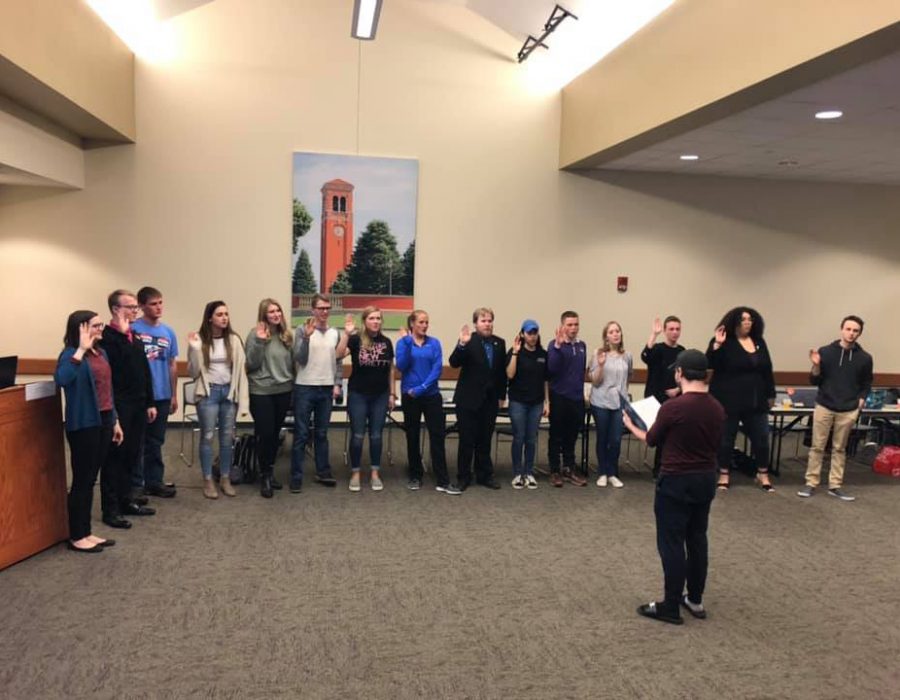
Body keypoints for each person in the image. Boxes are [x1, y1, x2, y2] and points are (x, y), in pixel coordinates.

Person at [623, 349, 724, 625]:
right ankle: (695, 598)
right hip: (705, 479)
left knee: (671, 543)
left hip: (676, 481)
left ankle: (669, 605)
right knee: (697, 538)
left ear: (680, 373)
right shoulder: (716, 407)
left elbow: (652, 439)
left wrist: (631, 426)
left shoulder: (674, 407)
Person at [54, 311, 124, 552]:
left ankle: (86, 532)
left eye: (100, 324)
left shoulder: (101, 352)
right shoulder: (70, 355)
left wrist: (115, 420)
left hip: (104, 420)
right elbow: (62, 379)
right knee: (83, 480)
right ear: (81, 329)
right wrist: (80, 350)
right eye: (95, 325)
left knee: (91, 477)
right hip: (84, 424)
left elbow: (108, 390)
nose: (100, 329)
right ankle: (76, 535)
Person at [798, 315, 873, 502]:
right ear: (842, 330)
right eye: (848, 329)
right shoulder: (826, 352)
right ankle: (811, 483)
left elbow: (866, 383)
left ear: (859, 333)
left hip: (848, 408)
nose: (851, 333)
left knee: (840, 448)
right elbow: (815, 380)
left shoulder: (864, 358)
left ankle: (835, 485)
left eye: (855, 331)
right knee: (817, 446)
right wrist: (815, 365)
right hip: (825, 404)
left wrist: (861, 401)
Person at [99, 290, 157, 529]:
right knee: (114, 459)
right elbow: (116, 370)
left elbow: (144, 372)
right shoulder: (108, 339)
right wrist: (123, 336)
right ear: (115, 309)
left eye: (136, 307)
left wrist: (150, 402)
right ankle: (110, 510)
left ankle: (126, 501)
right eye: (130, 307)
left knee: (132, 456)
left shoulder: (135, 336)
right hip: (119, 406)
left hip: (138, 405)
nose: (135, 311)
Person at [706, 306, 776, 492]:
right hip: (728, 400)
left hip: (756, 400)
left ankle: (762, 473)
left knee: (761, 438)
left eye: (750, 319)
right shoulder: (722, 341)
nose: (748, 322)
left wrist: (771, 394)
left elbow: (767, 370)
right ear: (734, 322)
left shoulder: (759, 341)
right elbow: (711, 366)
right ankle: (724, 473)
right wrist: (717, 347)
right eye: (744, 319)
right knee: (726, 439)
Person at [187, 300, 249, 500]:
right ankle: (207, 479)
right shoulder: (200, 340)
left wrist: (241, 398)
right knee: (207, 437)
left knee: (226, 438)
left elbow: (240, 371)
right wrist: (195, 349)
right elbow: (193, 372)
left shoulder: (234, 340)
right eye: (219, 314)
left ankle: (224, 477)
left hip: (228, 394)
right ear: (210, 318)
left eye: (226, 314)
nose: (224, 318)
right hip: (209, 394)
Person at [395, 310, 460, 495]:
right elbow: (401, 366)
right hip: (410, 396)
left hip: (430, 395)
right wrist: (408, 343)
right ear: (412, 324)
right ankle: (415, 475)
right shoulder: (403, 343)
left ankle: (443, 480)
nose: (425, 325)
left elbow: (437, 368)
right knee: (412, 436)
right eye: (421, 322)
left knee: (437, 436)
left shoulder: (434, 343)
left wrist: (422, 388)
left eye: (427, 322)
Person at [290, 293, 346, 493]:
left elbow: (338, 361)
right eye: (321, 308)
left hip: (326, 388)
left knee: (322, 433)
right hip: (305, 387)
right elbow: (299, 358)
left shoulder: (335, 333)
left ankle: (323, 472)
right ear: (313, 310)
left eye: (327, 308)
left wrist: (338, 384)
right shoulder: (301, 330)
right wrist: (306, 338)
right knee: (302, 434)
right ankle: (296, 476)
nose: (324, 311)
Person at [449, 307, 507, 490]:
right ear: (476, 323)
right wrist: (461, 344)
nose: (487, 324)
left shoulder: (500, 343)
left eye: (490, 321)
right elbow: (453, 362)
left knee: (484, 439)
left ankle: (484, 475)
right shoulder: (469, 341)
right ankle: (464, 477)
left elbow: (501, 373)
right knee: (467, 440)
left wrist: (501, 395)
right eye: (483, 321)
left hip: (490, 400)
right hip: (468, 399)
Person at [131, 286, 178, 498]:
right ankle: (136, 484)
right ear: (141, 306)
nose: (158, 307)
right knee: (137, 441)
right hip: (140, 396)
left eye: (160, 302)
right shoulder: (133, 329)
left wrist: (174, 394)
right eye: (153, 304)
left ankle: (154, 481)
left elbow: (172, 365)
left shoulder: (168, 332)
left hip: (162, 394)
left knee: (156, 441)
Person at [341, 307, 394, 492]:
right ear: (365, 321)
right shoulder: (356, 340)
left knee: (376, 435)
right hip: (358, 394)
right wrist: (346, 335)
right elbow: (338, 355)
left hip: (380, 395)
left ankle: (374, 473)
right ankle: (355, 472)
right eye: (372, 318)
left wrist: (392, 394)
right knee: (357, 435)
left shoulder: (387, 342)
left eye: (378, 318)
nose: (376, 321)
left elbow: (390, 370)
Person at [245, 298, 294, 499]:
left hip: (283, 390)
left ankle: (269, 470)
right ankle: (264, 474)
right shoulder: (254, 335)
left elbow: (293, 363)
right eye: (271, 312)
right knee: (264, 433)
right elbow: (252, 363)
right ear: (264, 315)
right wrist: (260, 341)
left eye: (278, 311)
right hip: (261, 391)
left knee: (275, 434)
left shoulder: (286, 336)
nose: (276, 315)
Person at [546, 311, 588, 487]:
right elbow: (551, 370)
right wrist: (557, 346)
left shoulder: (582, 345)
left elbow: (580, 372)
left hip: (576, 398)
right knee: (556, 435)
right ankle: (555, 470)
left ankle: (569, 468)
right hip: (559, 397)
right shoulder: (554, 345)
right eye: (569, 325)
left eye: (576, 324)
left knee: (572, 436)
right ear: (563, 326)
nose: (573, 328)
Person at [505, 319, 548, 489]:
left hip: (536, 403)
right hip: (518, 402)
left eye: (535, 332)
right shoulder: (515, 351)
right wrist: (515, 353)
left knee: (531, 439)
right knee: (519, 437)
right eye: (529, 333)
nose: (532, 336)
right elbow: (509, 374)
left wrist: (547, 402)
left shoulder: (543, 354)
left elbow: (546, 380)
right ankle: (517, 473)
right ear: (522, 334)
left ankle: (529, 472)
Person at [590, 321, 633, 488]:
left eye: (618, 331)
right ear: (606, 337)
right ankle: (602, 472)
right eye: (611, 332)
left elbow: (628, 377)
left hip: (619, 403)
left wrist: (624, 395)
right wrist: (600, 365)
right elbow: (595, 381)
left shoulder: (627, 355)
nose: (615, 334)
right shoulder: (598, 354)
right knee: (603, 437)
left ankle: (612, 473)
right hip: (601, 401)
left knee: (615, 439)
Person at [641, 316, 685, 478]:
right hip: (655, 398)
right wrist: (654, 334)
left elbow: (685, 376)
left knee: (672, 435)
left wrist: (677, 389)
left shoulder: (682, 351)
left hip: (674, 398)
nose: (674, 332)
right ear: (665, 331)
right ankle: (659, 468)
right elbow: (645, 356)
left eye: (677, 329)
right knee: (659, 435)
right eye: (671, 329)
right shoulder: (658, 349)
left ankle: (667, 467)